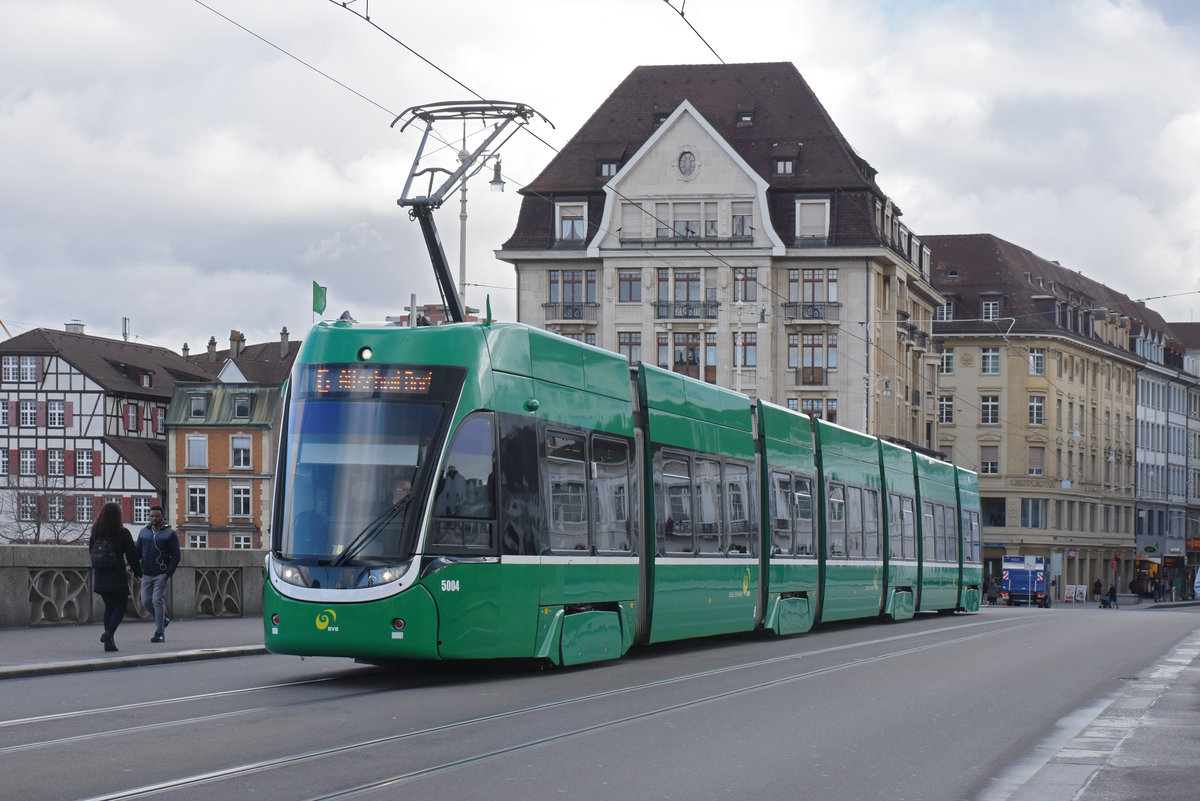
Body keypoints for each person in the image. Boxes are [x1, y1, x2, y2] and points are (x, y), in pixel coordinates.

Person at [90, 502, 142, 652]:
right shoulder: (122, 532)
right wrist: (138, 573)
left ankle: (109, 643)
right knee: (121, 606)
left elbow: (91, 553)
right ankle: (109, 633)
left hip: (100, 574)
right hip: (116, 574)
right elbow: (132, 555)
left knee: (109, 607)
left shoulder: (95, 532)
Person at [138, 505, 180, 643]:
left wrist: (167, 574)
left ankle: (159, 632)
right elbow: (137, 551)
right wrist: (129, 565)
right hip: (147, 574)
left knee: (157, 600)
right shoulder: (144, 532)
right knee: (145, 601)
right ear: (149, 517)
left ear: (163, 517)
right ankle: (163, 620)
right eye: (152, 516)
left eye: (157, 516)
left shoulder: (169, 534)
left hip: (161, 574)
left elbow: (176, 556)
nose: (154, 518)